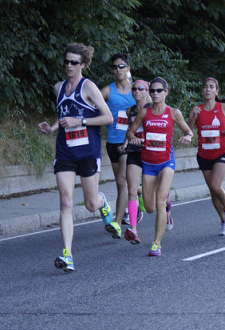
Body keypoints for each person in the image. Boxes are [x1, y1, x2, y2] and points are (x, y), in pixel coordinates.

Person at [38, 43, 119, 273]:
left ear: (83, 64)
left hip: (87, 152)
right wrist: (52, 128)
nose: (69, 66)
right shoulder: (58, 87)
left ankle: (102, 204)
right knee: (65, 202)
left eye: (74, 62)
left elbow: (108, 118)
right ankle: (68, 255)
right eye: (66, 61)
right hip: (65, 152)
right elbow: (64, 114)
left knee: (91, 204)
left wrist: (80, 121)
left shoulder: (89, 87)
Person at [124, 77, 193, 257]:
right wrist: (133, 137)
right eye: (152, 90)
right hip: (148, 162)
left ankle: (156, 244)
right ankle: (166, 205)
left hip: (166, 162)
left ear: (166, 92)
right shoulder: (144, 113)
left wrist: (188, 137)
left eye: (159, 90)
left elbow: (188, 131)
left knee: (160, 201)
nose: (155, 93)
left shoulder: (173, 112)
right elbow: (130, 130)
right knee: (149, 208)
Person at [188, 77, 225, 236]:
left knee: (215, 185)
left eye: (211, 87)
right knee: (213, 191)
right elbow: (188, 131)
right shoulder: (197, 109)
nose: (208, 90)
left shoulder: (223, 107)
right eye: (205, 87)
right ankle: (223, 221)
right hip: (204, 154)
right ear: (202, 90)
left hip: (221, 152)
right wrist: (193, 116)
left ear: (216, 91)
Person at [101, 53, 135, 227]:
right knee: (123, 182)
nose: (118, 70)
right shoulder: (107, 91)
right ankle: (138, 197)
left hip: (129, 143)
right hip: (113, 142)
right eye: (114, 67)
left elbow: (152, 108)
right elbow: (91, 107)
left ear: (128, 68)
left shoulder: (137, 89)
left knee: (122, 181)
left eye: (121, 66)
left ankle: (117, 222)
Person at [118, 80, 151, 244]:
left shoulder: (153, 109)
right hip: (134, 152)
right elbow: (129, 131)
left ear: (146, 91)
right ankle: (133, 229)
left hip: (151, 153)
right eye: (134, 89)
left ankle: (166, 206)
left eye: (140, 89)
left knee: (150, 193)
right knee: (131, 189)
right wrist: (125, 144)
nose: (136, 91)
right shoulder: (129, 110)